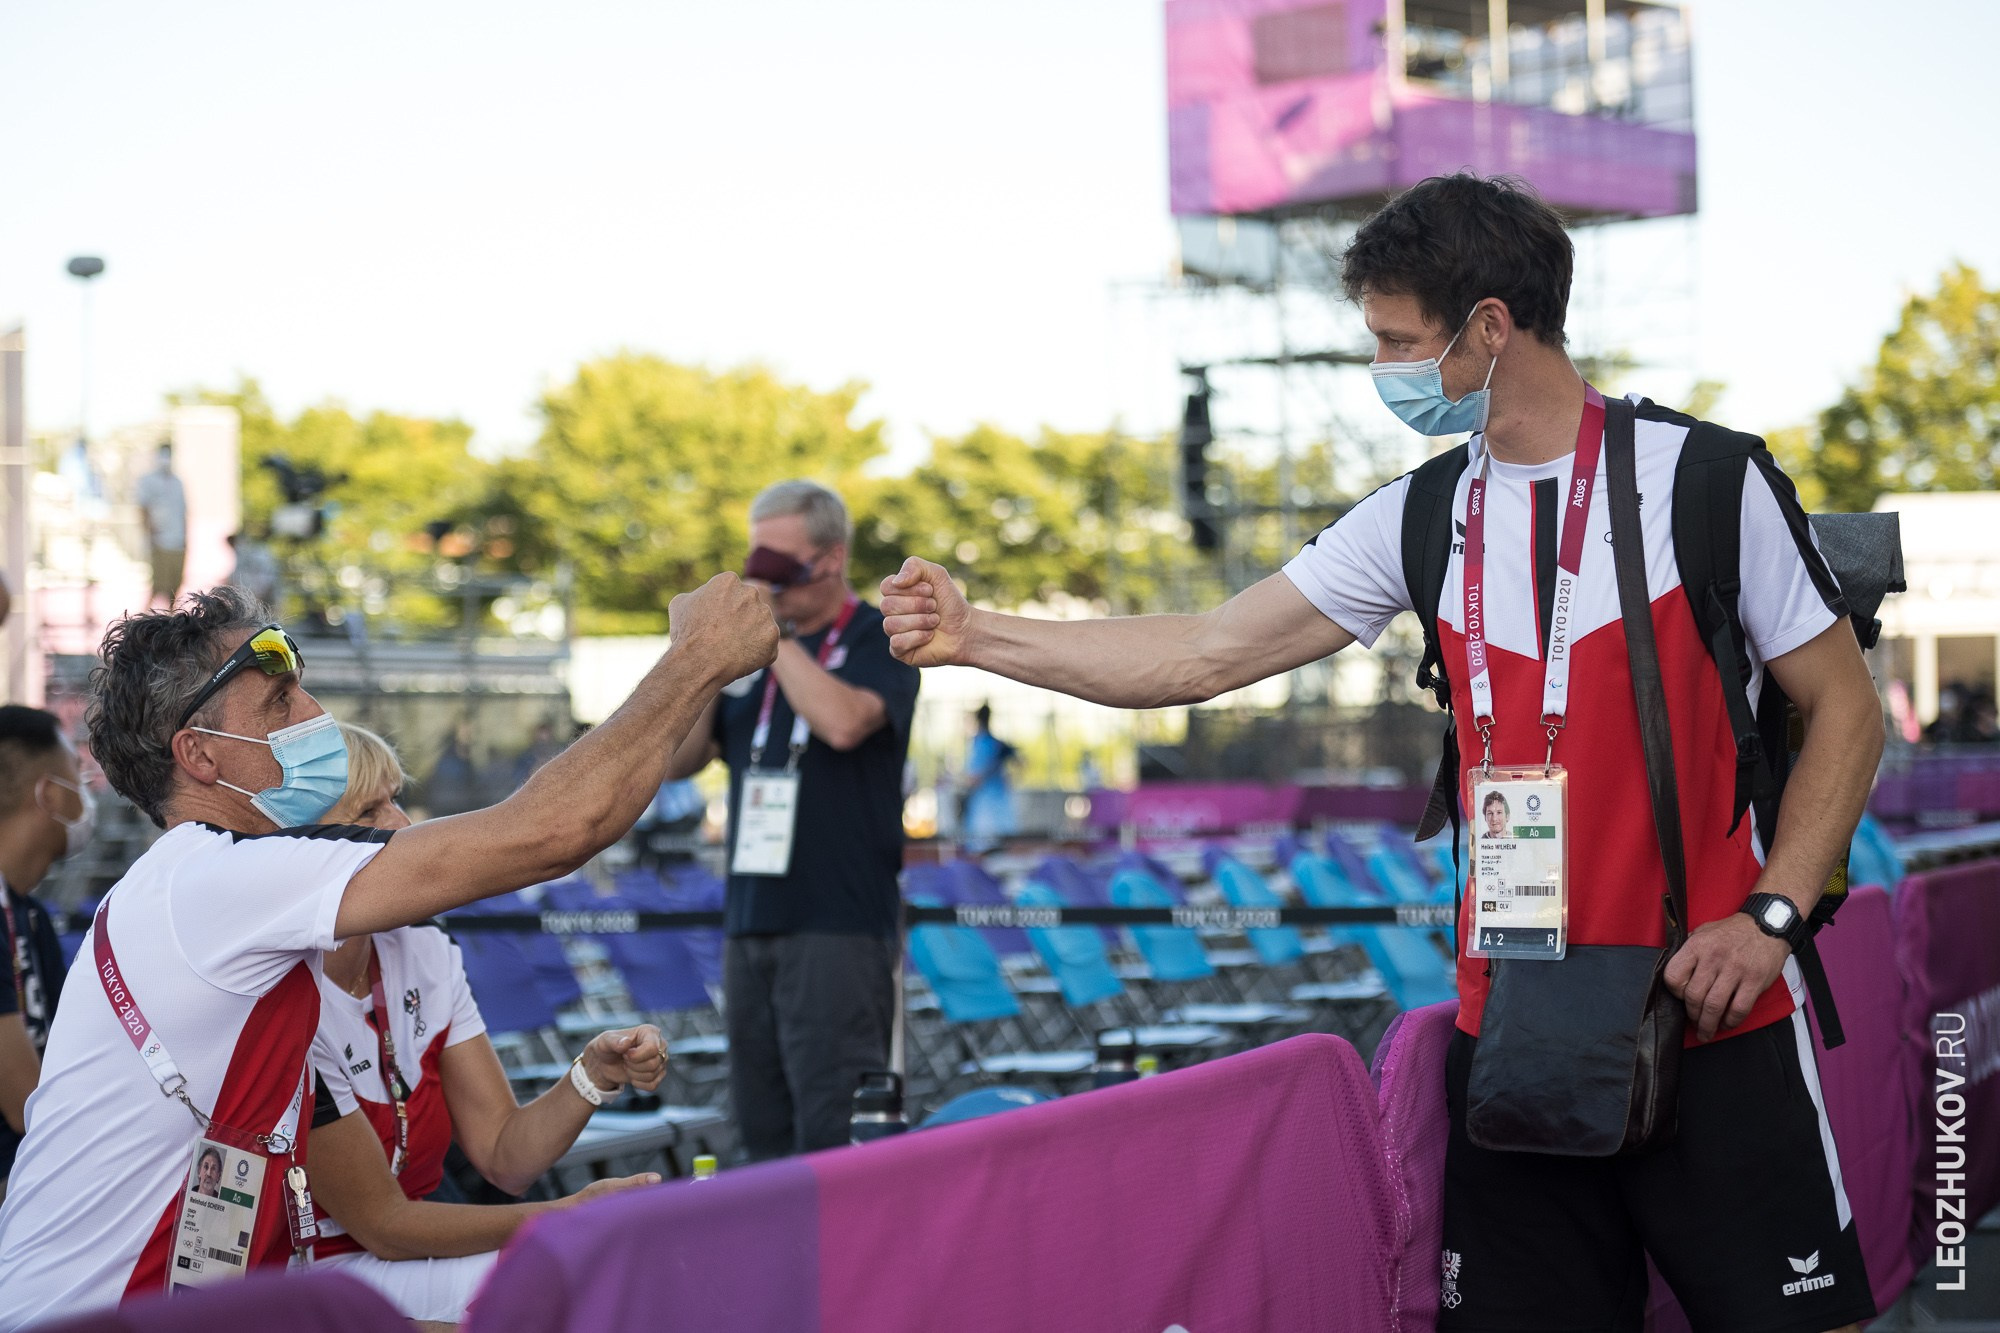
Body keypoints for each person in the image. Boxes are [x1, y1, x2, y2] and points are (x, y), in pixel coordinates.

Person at [881, 174, 1884, 1333]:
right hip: (1509, 1023)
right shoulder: (1419, 513)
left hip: (1710, 1008)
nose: (1382, 370)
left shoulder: (1703, 480)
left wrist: (1768, 917)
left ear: (1491, 327)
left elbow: (1846, 714)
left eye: (1398, 341)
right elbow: (1199, 654)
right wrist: (976, 635)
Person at [0, 575, 774, 1326]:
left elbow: (477, 1164)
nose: (315, 712)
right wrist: (694, 658)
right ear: (200, 756)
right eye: (280, 700)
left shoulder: (226, 895)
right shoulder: (210, 881)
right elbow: (550, 832)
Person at [307, 723, 665, 1325]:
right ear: (304, 842)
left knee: (628, 1261)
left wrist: (593, 1074)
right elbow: (384, 1228)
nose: (400, 823)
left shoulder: (422, 948)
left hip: (406, 1263)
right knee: (596, 1267)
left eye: (396, 798)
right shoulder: (282, 986)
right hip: (310, 1278)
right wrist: (571, 1215)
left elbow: (504, 1155)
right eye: (370, 808)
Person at [666, 480, 919, 1159]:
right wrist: (697, 661)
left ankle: (842, 1266)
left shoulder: (875, 637)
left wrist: (767, 634)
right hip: (752, 916)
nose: (763, 582)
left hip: (836, 922)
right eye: (756, 563)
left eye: (779, 566)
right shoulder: (748, 663)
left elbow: (842, 723)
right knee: (762, 1130)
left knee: (833, 1130)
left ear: (832, 557)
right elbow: (678, 759)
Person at [0, 706, 89, 1198]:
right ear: (49, 793)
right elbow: (25, 1102)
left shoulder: (29, 917)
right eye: (77, 772)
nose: (86, 791)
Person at [133, 442, 187, 610]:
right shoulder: (148, 480)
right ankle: (141, 623)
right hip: (160, 541)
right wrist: (150, 535)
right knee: (158, 586)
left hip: (177, 542)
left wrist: (186, 540)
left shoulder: (178, 482)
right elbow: (143, 509)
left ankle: (172, 622)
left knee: (174, 586)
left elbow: (183, 512)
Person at [957, 703, 1018, 851]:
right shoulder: (997, 743)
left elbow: (974, 777)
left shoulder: (983, 743)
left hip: (986, 810)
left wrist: (955, 780)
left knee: (986, 851)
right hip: (999, 806)